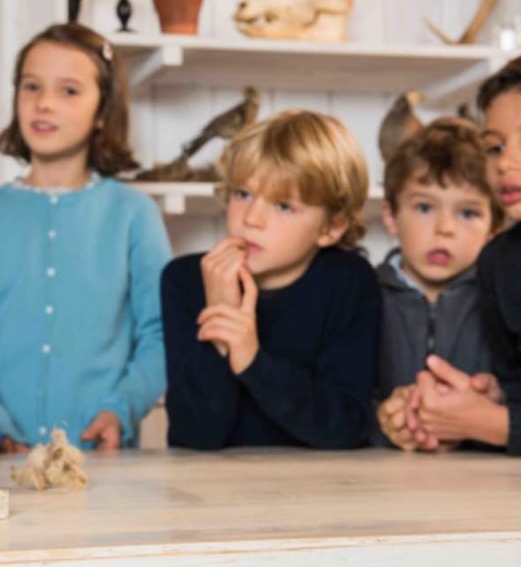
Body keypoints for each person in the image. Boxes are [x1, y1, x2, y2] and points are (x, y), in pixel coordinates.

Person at [0, 23, 171, 451]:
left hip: (105, 465)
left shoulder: (134, 215)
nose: (44, 103)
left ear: (103, 110)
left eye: (68, 91)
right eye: (32, 86)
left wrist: (120, 409)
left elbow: (159, 334)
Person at [163, 110, 380, 450]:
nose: (252, 218)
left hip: (322, 491)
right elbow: (195, 436)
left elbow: (346, 428)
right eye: (243, 194)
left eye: (282, 205)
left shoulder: (350, 282)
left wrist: (252, 360)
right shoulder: (184, 280)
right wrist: (222, 313)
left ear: (331, 228)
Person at [406, 49, 521, 455]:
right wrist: (487, 398)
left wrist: (493, 424)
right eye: (495, 147)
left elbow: (508, 427)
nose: (506, 164)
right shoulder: (502, 261)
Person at [374, 118, 505, 450]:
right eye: (424, 207)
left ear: (494, 229)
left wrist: (485, 408)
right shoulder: (361, 295)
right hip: (374, 482)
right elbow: (336, 398)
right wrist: (385, 418)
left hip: (486, 489)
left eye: (467, 213)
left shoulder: (505, 302)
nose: (444, 228)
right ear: (390, 216)